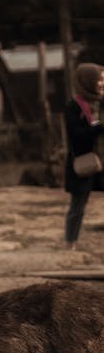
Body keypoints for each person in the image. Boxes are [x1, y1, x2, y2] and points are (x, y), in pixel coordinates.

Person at [64, 62, 104, 249]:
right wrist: (98, 128)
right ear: (89, 81)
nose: (102, 83)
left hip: (102, 159)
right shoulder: (74, 106)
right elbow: (76, 134)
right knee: (78, 205)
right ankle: (71, 242)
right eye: (99, 80)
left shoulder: (101, 102)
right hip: (85, 161)